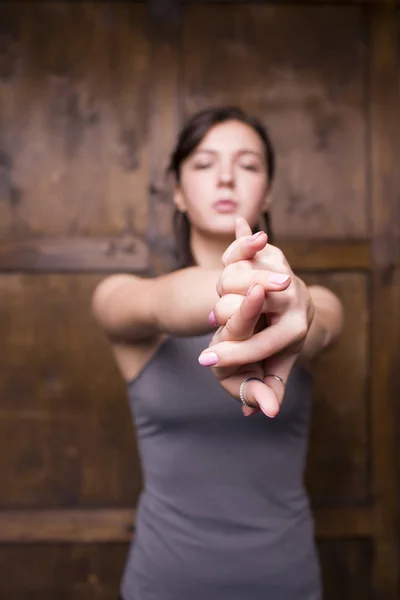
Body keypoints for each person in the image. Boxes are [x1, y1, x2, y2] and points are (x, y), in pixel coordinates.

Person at [92, 106, 343, 600]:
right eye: (205, 164)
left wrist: (291, 305)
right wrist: (242, 289)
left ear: (267, 190)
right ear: (179, 193)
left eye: (247, 165)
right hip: (163, 583)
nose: (226, 176)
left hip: (286, 582)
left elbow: (318, 323)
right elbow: (161, 304)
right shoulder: (121, 296)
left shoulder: (315, 300)